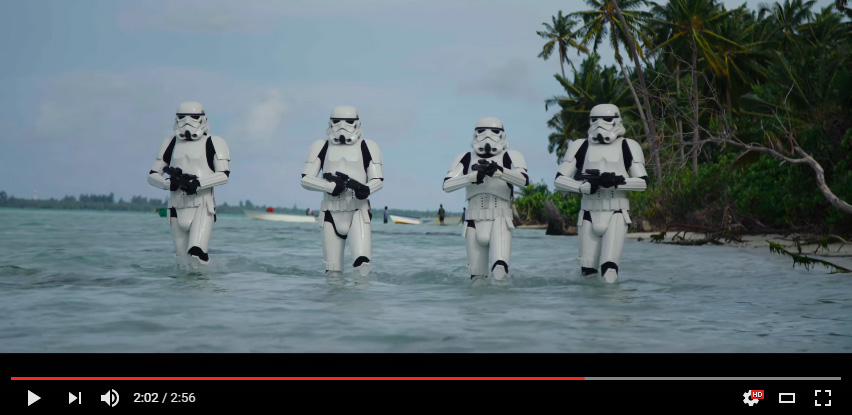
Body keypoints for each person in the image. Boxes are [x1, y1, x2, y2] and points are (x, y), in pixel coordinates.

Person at [554, 103, 648, 283]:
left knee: (609, 269)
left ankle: (610, 301)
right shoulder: (581, 146)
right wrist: (582, 187)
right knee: (587, 272)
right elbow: (559, 179)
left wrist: (616, 183)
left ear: (617, 121)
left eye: (606, 119)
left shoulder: (628, 146)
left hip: (616, 212)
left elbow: (642, 182)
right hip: (588, 213)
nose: (599, 124)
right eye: (594, 120)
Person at [442, 117, 528, 285]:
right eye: (482, 131)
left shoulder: (511, 156)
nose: (487, 136)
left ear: (502, 135)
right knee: (477, 278)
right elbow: (447, 185)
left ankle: (500, 301)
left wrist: (500, 172)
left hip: (500, 219)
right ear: (475, 134)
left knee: (500, 271)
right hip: (473, 221)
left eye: (494, 131)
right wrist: (471, 177)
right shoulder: (466, 158)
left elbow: (524, 180)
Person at [301, 106, 384, 279]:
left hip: (357, 211)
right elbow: (306, 179)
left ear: (357, 123)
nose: (342, 126)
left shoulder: (367, 146)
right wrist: (329, 187)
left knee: (363, 266)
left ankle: (362, 296)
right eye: (337, 121)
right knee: (332, 272)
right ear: (330, 122)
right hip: (330, 213)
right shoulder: (321, 146)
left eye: (348, 121)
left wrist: (366, 189)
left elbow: (378, 179)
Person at [147, 101, 230, 266]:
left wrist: (197, 183)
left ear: (202, 118)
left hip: (202, 205)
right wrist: (168, 183)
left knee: (197, 253)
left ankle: (208, 278)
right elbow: (152, 175)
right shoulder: (170, 143)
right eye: (182, 117)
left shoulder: (214, 142)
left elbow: (223, 175)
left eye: (193, 117)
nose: (187, 122)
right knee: (182, 260)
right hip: (176, 206)